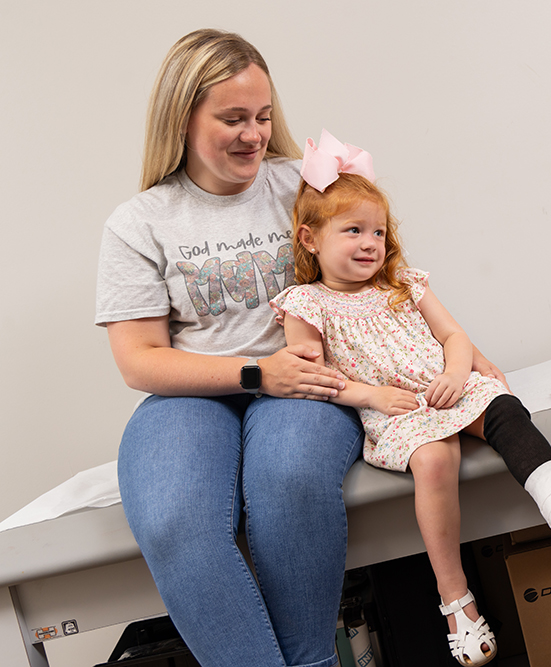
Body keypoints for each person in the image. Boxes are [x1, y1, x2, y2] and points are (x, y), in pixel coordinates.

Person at [94, 29, 506, 667]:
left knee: (287, 481)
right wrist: (259, 373)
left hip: (316, 382)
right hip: (194, 393)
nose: (254, 135)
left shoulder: (305, 185)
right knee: (175, 521)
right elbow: (139, 358)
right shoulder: (139, 222)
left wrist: (462, 351)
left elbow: (387, 273)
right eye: (232, 118)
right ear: (183, 118)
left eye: (262, 117)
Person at [269, 131, 551, 666]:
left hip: (444, 387)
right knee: (433, 459)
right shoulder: (306, 304)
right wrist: (373, 396)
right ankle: (456, 598)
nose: (369, 243)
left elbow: (453, 335)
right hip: (395, 408)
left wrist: (457, 370)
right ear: (310, 239)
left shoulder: (403, 282)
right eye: (353, 230)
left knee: (503, 407)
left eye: (377, 231)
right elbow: (313, 376)